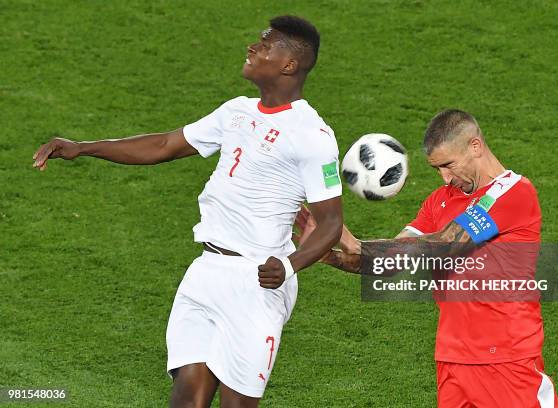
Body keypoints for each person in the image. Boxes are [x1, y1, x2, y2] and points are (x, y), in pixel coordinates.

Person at [33, 15, 343, 408]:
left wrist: (289, 265)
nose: (252, 48)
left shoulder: (312, 136)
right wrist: (84, 146)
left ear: (288, 64)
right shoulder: (236, 111)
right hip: (205, 273)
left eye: (264, 45)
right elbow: (165, 145)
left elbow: (331, 223)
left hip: (257, 285)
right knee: (185, 401)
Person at [295, 110, 558, 407]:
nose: (445, 177)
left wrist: (352, 242)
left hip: (508, 358)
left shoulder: (513, 193)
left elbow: (447, 242)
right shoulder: (440, 200)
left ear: (475, 146)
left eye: (448, 165)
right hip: (452, 358)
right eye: (437, 169)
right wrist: (327, 253)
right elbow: (391, 260)